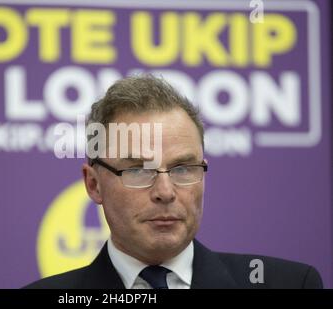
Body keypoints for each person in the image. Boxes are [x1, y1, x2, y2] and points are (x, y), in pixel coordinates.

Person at [26, 75, 323, 289]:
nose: (165, 192)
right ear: (94, 185)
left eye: (182, 168)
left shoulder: (291, 284)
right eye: (139, 170)